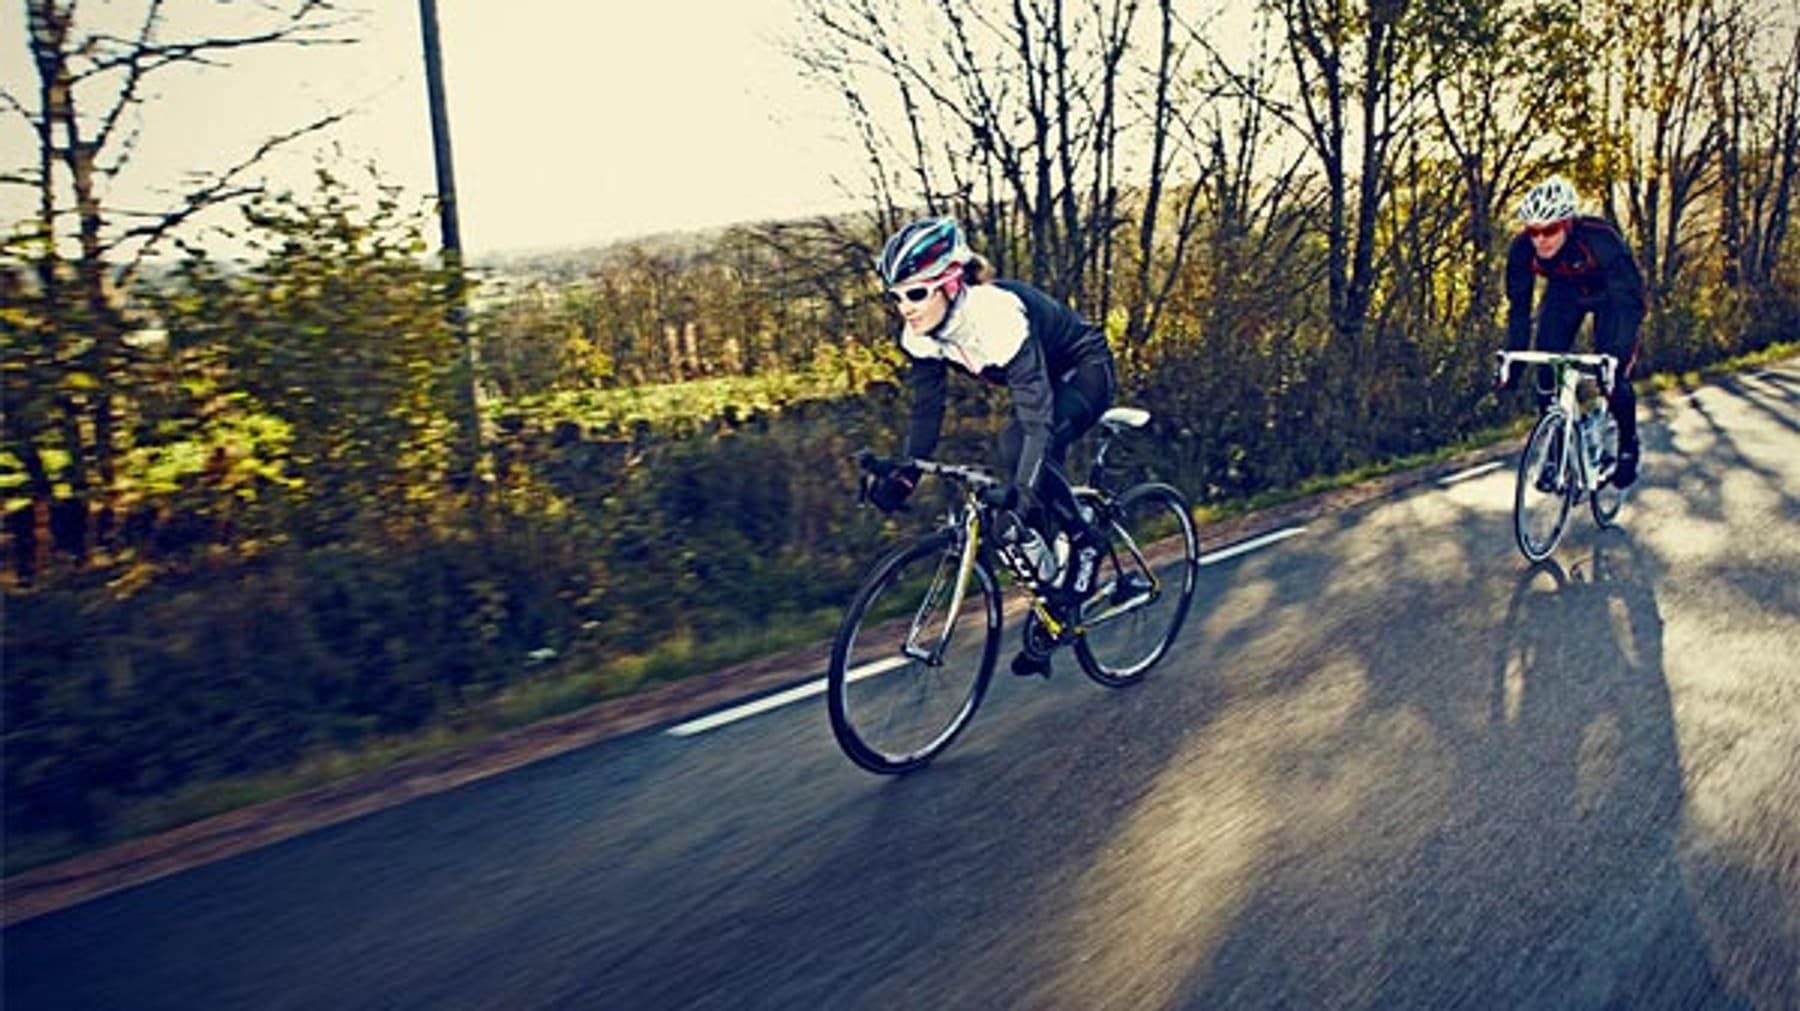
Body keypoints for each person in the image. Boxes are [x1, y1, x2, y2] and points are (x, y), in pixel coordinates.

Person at [864, 217, 1118, 674]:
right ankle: (1056, 603)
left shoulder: (994, 315)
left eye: (917, 292)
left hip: (1084, 369)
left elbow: (1038, 424)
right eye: (896, 296)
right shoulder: (920, 335)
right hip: (1044, 380)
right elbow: (926, 412)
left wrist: (1019, 497)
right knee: (1022, 480)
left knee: (1018, 444)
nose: (905, 307)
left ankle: (1085, 542)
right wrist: (905, 475)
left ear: (951, 282)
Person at [1501, 175, 1647, 487]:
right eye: (1534, 231)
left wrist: (1617, 359)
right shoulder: (1522, 250)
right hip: (1565, 293)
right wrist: (1514, 365)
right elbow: (1519, 310)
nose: (1541, 239)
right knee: (1545, 367)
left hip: (1613, 297)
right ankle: (1556, 454)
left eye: (1550, 230)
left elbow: (1631, 303)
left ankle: (1628, 445)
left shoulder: (1600, 240)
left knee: (1613, 375)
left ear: (1567, 224)